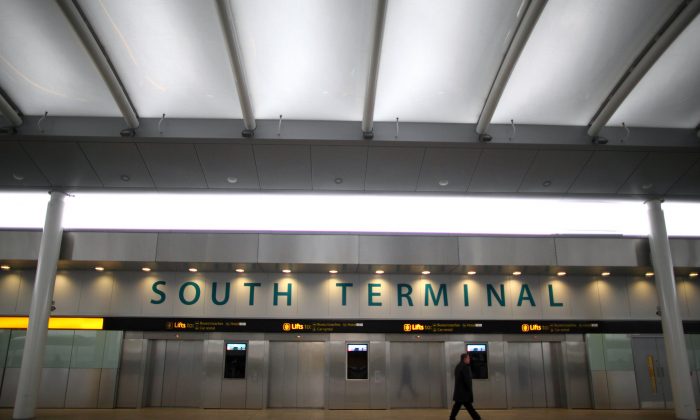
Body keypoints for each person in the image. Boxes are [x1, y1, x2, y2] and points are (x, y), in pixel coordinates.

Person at [450, 353, 481, 420]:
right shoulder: (465, 367)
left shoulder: (458, 366)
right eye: (468, 358)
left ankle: (452, 418)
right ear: (464, 359)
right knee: (469, 407)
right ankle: (477, 418)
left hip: (459, 392)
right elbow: (467, 380)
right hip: (464, 392)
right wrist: (469, 390)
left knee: (457, 406)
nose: (469, 359)